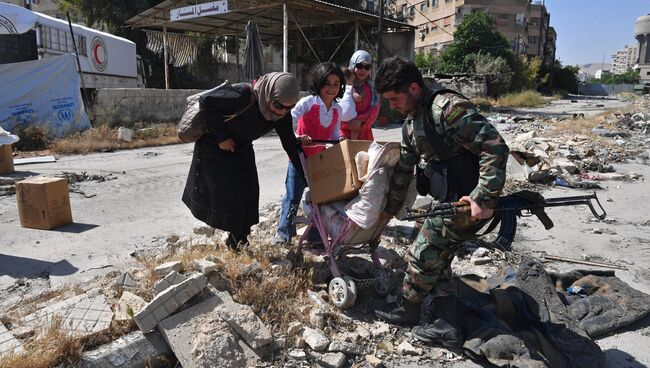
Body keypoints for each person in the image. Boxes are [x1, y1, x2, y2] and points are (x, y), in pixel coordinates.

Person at [372, 56, 509, 347]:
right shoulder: (411, 121)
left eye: (394, 98)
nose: (391, 105)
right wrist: (389, 210)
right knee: (434, 253)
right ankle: (443, 319)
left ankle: (416, 314)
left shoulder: (447, 109)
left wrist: (483, 198)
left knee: (421, 255)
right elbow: (404, 168)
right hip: (444, 199)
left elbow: (494, 146)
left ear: (412, 88)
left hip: (466, 201)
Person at [182, 72, 303, 250]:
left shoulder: (281, 113)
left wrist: (305, 174)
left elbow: (289, 143)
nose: (282, 111)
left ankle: (239, 239)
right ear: (269, 94)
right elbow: (207, 102)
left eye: (289, 108)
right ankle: (236, 240)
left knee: (249, 192)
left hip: (241, 147)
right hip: (215, 145)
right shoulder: (243, 95)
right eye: (278, 105)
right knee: (230, 195)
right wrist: (222, 138)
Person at [273, 62, 357, 246]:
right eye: (327, 83)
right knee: (293, 196)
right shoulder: (307, 103)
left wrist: (339, 142)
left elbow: (334, 135)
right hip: (299, 158)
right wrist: (298, 137)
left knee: (319, 198)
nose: (332, 88)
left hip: (319, 160)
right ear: (319, 83)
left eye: (336, 84)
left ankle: (315, 236)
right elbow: (286, 122)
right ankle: (283, 233)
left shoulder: (337, 109)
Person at [340, 50, 380, 140]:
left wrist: (360, 119)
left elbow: (375, 108)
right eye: (359, 66)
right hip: (343, 134)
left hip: (364, 135)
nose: (363, 70)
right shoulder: (342, 86)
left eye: (367, 67)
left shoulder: (371, 88)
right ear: (353, 65)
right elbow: (336, 107)